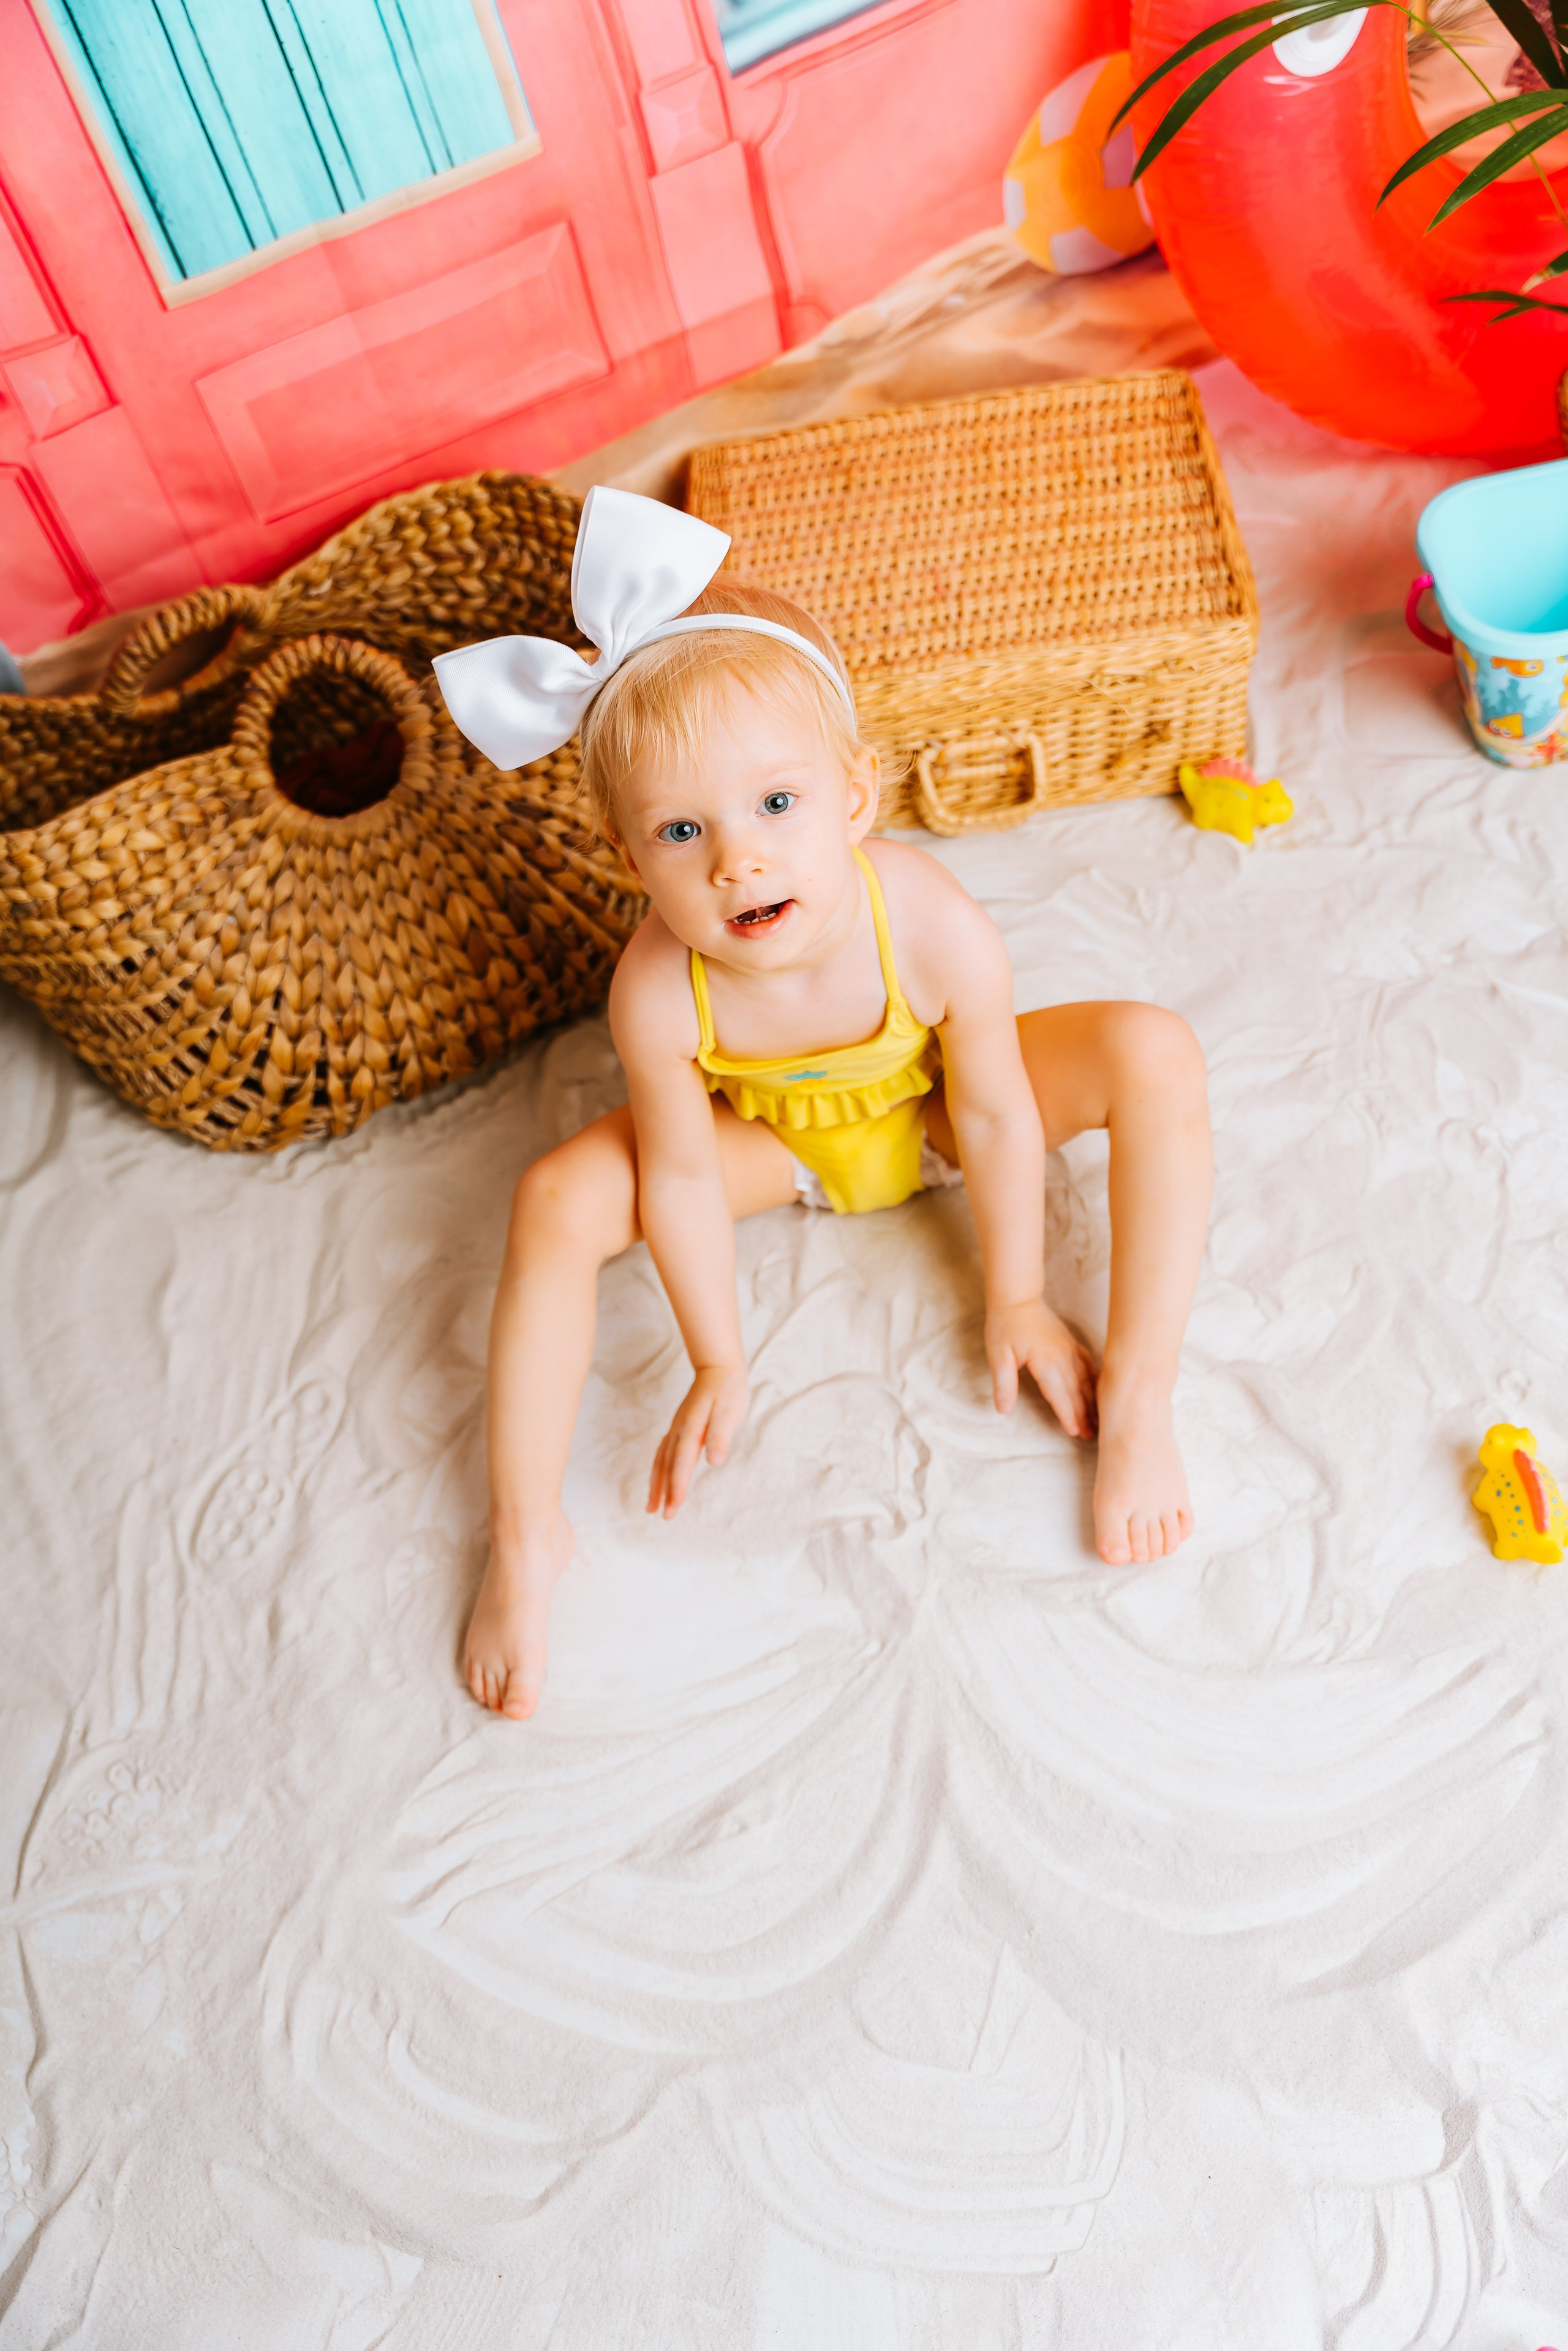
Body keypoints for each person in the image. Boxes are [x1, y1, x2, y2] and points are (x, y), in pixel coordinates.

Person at [434, 489, 1212, 1721]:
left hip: (937, 1115)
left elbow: (1001, 1110)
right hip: (773, 1146)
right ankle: (525, 1533)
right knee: (554, 1198)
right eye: (680, 831)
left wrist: (1013, 1293)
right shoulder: (654, 986)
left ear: (852, 798)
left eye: (774, 806)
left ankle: (1142, 1392)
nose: (734, 860)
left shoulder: (927, 917)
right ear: (627, 856)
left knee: (1154, 1049)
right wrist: (715, 1355)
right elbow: (681, 1172)